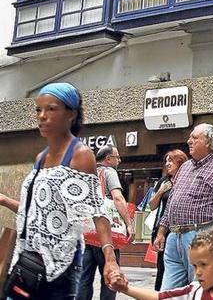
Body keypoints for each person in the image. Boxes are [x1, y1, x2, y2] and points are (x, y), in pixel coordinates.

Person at [0, 82, 123, 299]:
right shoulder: (40, 158)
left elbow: (97, 211)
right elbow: (34, 214)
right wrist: (3, 200)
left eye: (51, 109)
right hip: (28, 262)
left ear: (71, 114)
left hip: (59, 266)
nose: (42, 116)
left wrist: (110, 258)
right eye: (39, 109)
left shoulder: (80, 154)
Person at [154, 123, 213, 290]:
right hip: (174, 239)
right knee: (168, 293)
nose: (189, 141)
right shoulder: (185, 167)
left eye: (194, 138)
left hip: (201, 237)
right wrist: (162, 231)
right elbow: (171, 201)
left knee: (201, 291)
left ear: (208, 142)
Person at [114, 228, 213, 299]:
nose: (198, 272)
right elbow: (160, 297)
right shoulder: (194, 290)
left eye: (204, 265)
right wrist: (125, 289)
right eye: (195, 266)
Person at [77, 145, 135, 300]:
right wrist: (129, 224)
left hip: (86, 233)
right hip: (106, 234)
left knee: (84, 278)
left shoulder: (86, 174)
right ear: (108, 159)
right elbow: (117, 198)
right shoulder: (109, 172)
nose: (119, 160)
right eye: (117, 157)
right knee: (110, 277)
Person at [149, 149, 188, 290]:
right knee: (162, 265)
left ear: (180, 163)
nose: (167, 164)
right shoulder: (164, 181)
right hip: (162, 229)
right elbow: (152, 205)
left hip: (181, 228)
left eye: (171, 161)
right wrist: (161, 191)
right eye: (166, 161)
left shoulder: (187, 180)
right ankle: (161, 292)